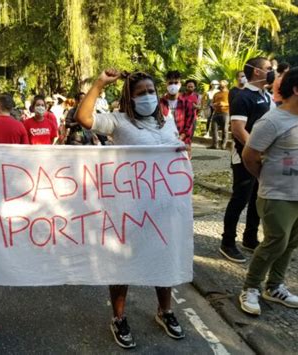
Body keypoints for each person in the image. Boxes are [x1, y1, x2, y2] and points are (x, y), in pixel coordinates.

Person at [76, 69, 188, 349]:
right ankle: (119, 317)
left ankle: (165, 311)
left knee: (164, 260)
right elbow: (84, 119)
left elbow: (175, 152)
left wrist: (181, 153)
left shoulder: (167, 122)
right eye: (141, 93)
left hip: (165, 208)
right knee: (122, 265)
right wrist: (100, 82)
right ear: (129, 97)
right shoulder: (118, 122)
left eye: (151, 91)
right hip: (129, 211)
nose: (148, 96)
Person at [239, 67, 298, 315]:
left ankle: (274, 286)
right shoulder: (272, 121)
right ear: (297, 90)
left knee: (292, 243)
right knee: (276, 241)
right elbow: (249, 156)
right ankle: (250, 287)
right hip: (277, 195)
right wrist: (264, 178)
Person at [219, 57, 275, 263]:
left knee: (257, 197)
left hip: (264, 156)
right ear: (257, 72)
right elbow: (237, 129)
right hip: (244, 156)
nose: (273, 71)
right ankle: (227, 242)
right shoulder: (243, 98)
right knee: (240, 198)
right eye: (269, 68)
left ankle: (250, 238)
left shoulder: (267, 96)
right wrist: (255, 151)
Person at [160, 70, 196, 157]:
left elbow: (190, 124)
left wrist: (181, 137)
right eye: (171, 83)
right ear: (166, 84)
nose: (173, 85)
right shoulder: (160, 102)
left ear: (180, 84)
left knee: (182, 169)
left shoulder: (187, 103)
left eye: (176, 82)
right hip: (164, 142)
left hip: (183, 143)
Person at [210, 80, 230, 150]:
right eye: (220, 82)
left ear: (226, 84)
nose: (220, 83)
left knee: (225, 129)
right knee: (214, 128)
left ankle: (223, 145)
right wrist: (214, 105)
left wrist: (223, 104)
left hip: (225, 113)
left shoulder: (229, 93)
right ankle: (215, 145)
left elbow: (233, 103)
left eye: (222, 82)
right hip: (216, 113)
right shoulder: (216, 94)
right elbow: (212, 103)